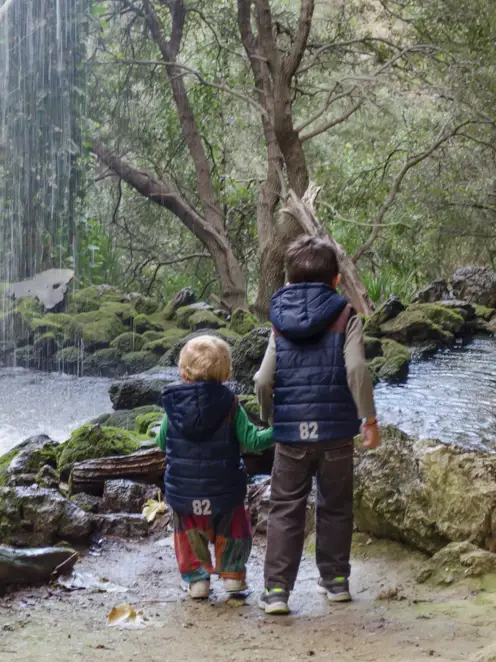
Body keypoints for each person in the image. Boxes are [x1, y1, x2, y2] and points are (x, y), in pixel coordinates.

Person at [253, 235, 381, 615]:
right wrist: (368, 419)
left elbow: (262, 380)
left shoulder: (278, 321)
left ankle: (277, 592)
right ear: (337, 281)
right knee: (336, 506)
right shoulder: (345, 315)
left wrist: (271, 419)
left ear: (287, 283)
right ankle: (336, 581)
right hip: (337, 434)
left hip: (292, 436)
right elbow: (356, 369)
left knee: (285, 509)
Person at [155, 335, 274, 599]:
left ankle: (197, 580)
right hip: (224, 491)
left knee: (188, 535)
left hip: (184, 493)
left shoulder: (172, 409)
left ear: (183, 373)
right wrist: (277, 432)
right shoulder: (231, 405)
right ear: (228, 374)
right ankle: (232, 576)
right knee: (234, 530)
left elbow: (161, 442)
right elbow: (252, 441)